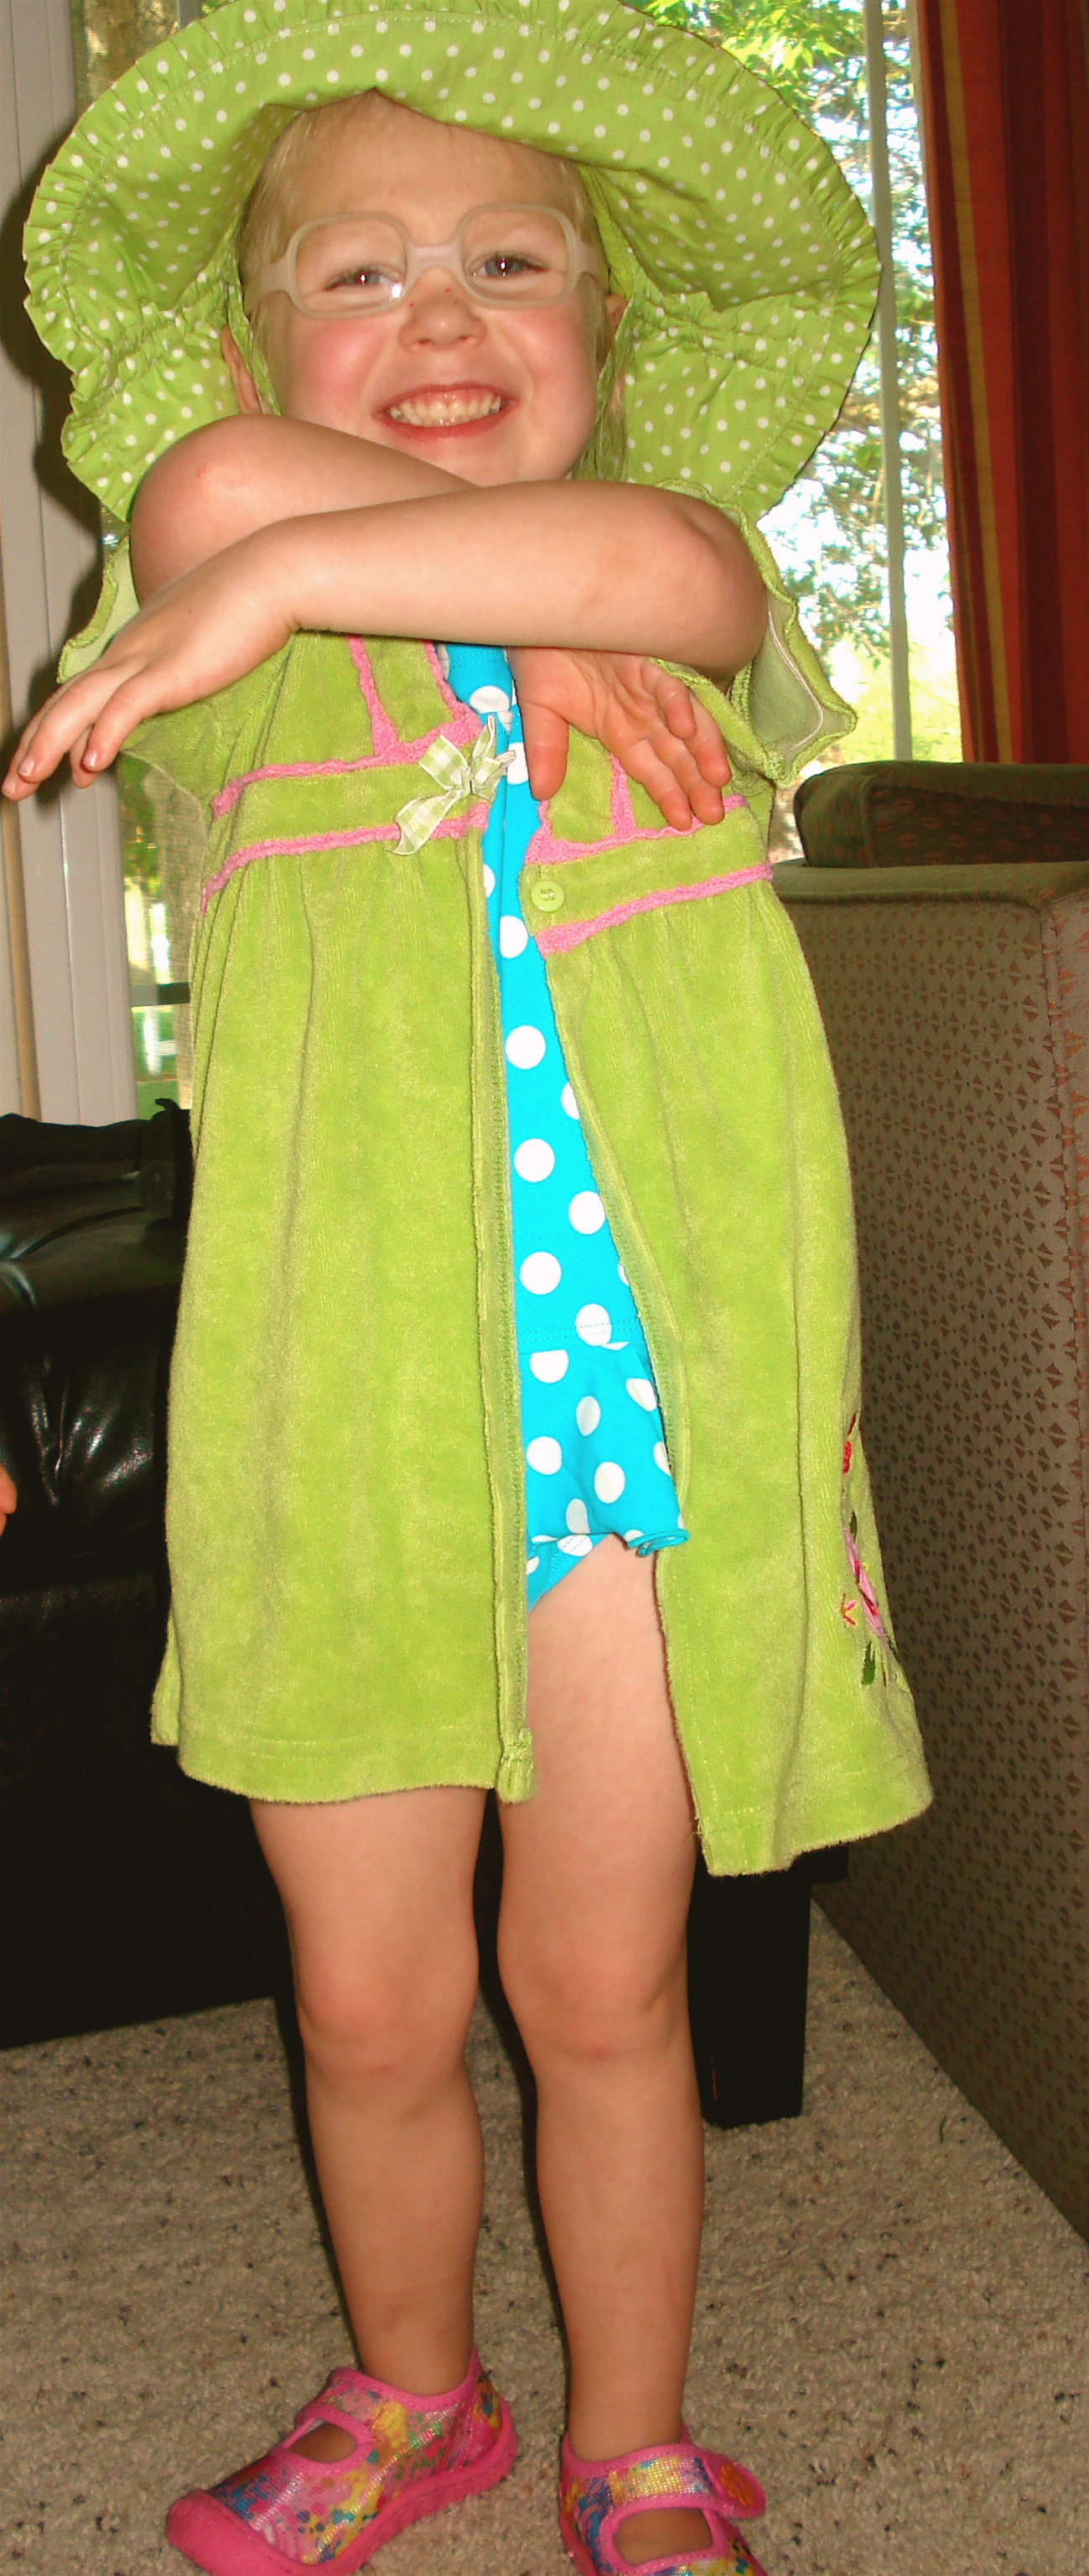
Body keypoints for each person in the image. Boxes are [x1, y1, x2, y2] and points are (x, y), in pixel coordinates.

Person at [3, 5, 931, 2571]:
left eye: (511, 266)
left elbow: (673, 573)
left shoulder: (672, 591)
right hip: (350, 1433)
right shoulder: (230, 604)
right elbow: (220, 499)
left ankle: (635, 2434)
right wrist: (312, 574)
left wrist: (541, 602)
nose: (438, 316)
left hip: (631, 1451)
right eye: (358, 272)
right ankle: (414, 2393)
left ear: (608, 335)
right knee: (370, 1999)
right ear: (248, 341)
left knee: (605, 1991)